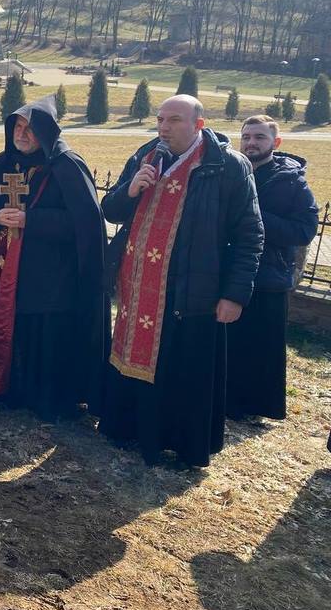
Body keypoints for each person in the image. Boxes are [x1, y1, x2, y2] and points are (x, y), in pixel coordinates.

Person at [98, 94, 263, 467]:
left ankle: (173, 441)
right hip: (139, 286)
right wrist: (131, 188)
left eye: (174, 120)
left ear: (198, 125)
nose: (164, 128)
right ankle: (126, 429)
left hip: (191, 289)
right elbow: (111, 210)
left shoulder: (226, 166)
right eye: (160, 120)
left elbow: (250, 233)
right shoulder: (147, 155)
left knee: (180, 366)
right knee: (131, 357)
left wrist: (235, 294)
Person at [0, 96, 107, 420]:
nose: (22, 134)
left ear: (47, 132)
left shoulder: (67, 166)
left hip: (50, 279)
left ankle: (45, 398)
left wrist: (30, 221)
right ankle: (6, 388)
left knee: (42, 334)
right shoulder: (2, 164)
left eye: (30, 128)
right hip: (2, 273)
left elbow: (85, 224)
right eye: (18, 127)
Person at [227, 116, 318, 419]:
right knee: (231, 342)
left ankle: (255, 407)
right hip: (231, 270)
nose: (251, 143)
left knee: (261, 347)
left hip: (269, 275)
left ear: (275, 143)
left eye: (259, 138)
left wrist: (255, 216)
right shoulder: (232, 172)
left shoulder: (291, 181)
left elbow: (304, 230)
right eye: (246, 137)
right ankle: (225, 398)